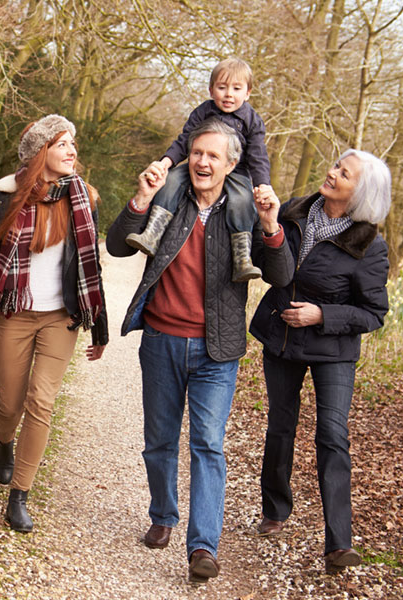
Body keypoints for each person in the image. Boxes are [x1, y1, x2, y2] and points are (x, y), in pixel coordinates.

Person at [106, 117, 293, 583]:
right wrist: (141, 199)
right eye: (197, 153)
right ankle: (163, 515)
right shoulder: (170, 198)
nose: (202, 162)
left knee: (208, 444)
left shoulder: (246, 209)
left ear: (232, 164)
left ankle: (203, 545)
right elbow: (116, 245)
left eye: (213, 155)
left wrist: (271, 226)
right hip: (162, 340)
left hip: (218, 349)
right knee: (160, 441)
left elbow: (282, 275)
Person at [249, 149, 391, 575]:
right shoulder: (293, 211)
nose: (331, 174)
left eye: (343, 173)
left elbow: (374, 313)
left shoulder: (370, 244)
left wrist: (323, 314)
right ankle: (275, 509)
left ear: (359, 192)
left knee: (332, 434)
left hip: (333, 350)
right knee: (280, 425)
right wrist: (268, 226)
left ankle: (338, 543)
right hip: (282, 337)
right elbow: (264, 262)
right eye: (335, 166)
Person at [0, 114, 108, 533]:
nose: (72, 152)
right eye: (62, 143)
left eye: (73, 144)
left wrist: (98, 328)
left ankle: (20, 495)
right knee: (10, 403)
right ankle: (4, 442)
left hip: (60, 318)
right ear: (40, 152)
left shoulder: (84, 199)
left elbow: (92, 266)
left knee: (41, 402)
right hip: (14, 313)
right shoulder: (8, 198)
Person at [127, 58, 271, 283]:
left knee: (243, 200)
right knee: (172, 180)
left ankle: (242, 257)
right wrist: (166, 162)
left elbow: (258, 156)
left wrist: (262, 184)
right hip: (197, 163)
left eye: (236, 89)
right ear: (211, 90)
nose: (228, 95)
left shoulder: (252, 120)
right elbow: (184, 140)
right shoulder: (203, 111)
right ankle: (153, 233)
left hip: (237, 170)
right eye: (222, 88)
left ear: (248, 93)